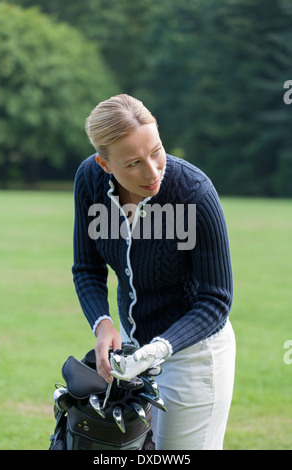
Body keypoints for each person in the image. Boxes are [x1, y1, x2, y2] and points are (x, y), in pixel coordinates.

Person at [72, 94, 236, 450]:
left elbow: (216, 300)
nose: (152, 171)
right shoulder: (89, 180)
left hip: (194, 354)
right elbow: (87, 268)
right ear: (104, 164)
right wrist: (103, 325)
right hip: (134, 352)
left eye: (156, 151)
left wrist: (161, 348)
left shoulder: (194, 193)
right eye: (132, 163)